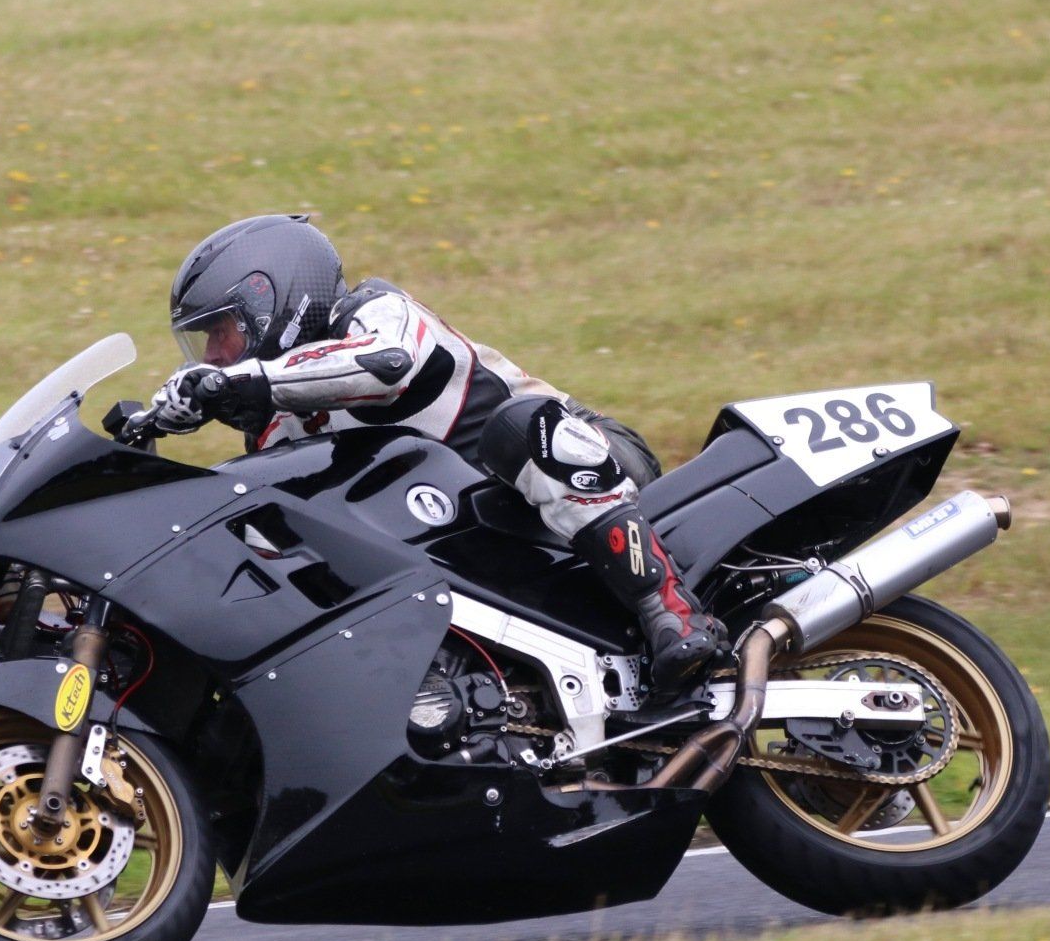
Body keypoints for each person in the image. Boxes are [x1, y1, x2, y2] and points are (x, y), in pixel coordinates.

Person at [148, 214, 727, 699]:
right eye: (204, 345)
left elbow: (386, 363)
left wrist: (240, 381)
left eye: (222, 332)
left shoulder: (377, 314)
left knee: (521, 428)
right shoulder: (279, 422)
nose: (214, 355)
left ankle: (671, 610)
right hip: (482, 539)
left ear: (272, 299)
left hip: (589, 463)